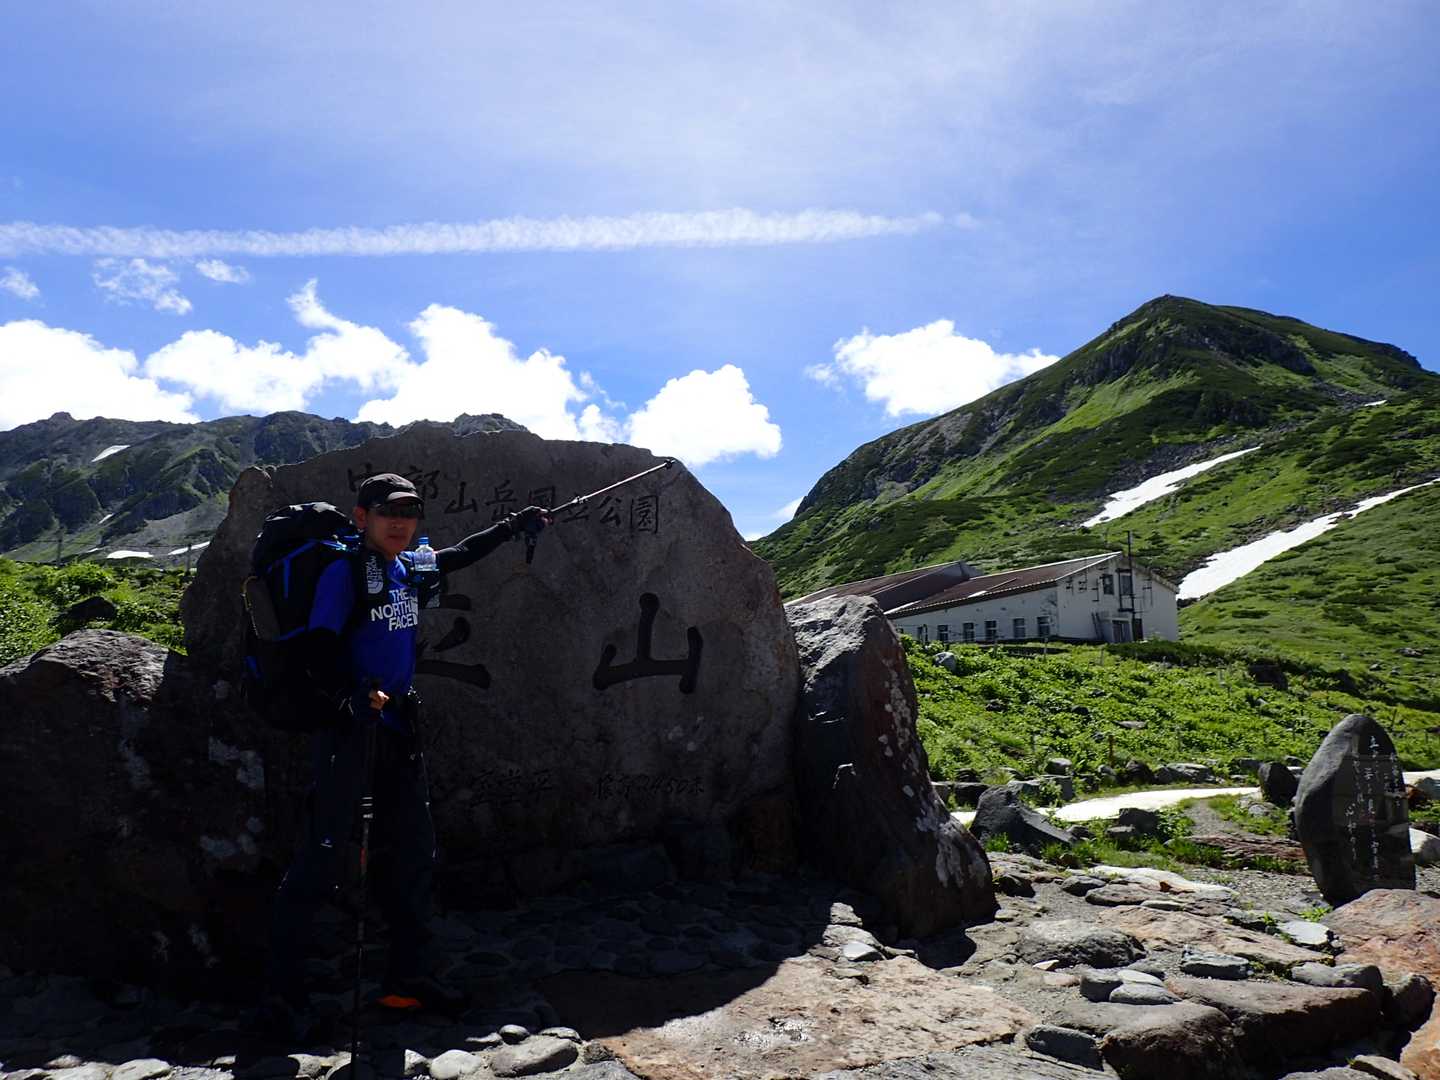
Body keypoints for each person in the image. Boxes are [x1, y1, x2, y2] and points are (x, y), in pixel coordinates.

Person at [253, 472, 549, 1041]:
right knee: (320, 858)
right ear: (361, 517)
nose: (401, 523)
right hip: (349, 731)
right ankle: (281, 998)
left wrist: (514, 527)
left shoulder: (409, 565)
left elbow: (458, 555)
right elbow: (317, 648)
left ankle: (407, 980)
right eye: (389, 512)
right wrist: (350, 692)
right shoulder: (344, 571)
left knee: (414, 852)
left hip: (397, 730)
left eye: (410, 514)